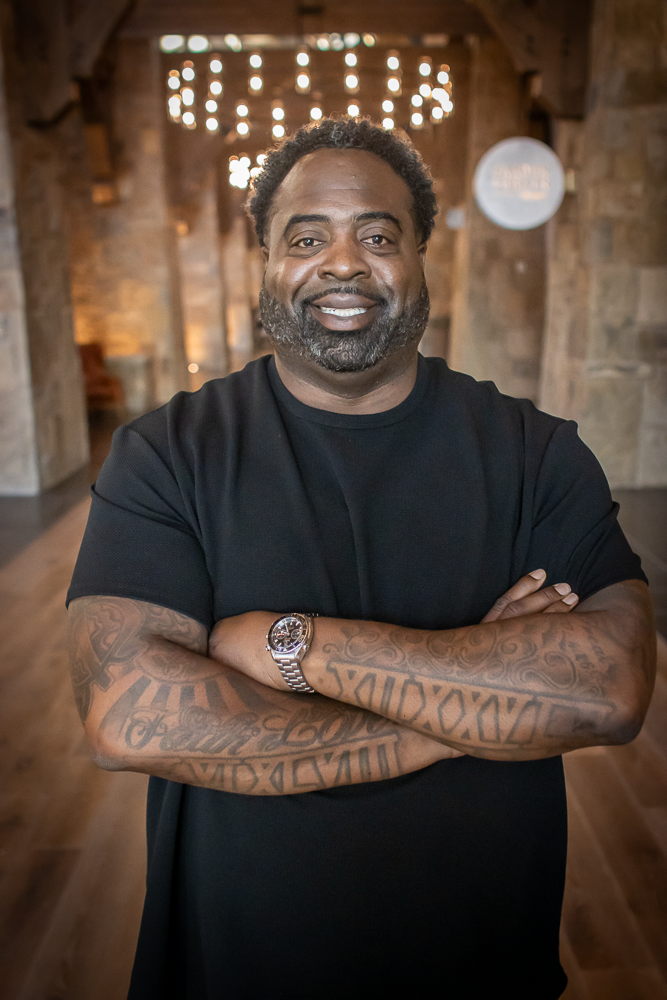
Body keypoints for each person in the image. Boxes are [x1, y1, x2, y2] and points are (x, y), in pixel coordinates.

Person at [67, 118, 655, 1000]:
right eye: (307, 239)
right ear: (267, 262)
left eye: (377, 236)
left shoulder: (535, 453)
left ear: (420, 258)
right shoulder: (167, 454)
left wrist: (293, 646)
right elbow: (130, 716)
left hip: (479, 951)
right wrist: (466, 716)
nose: (343, 263)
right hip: (238, 955)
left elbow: (607, 691)